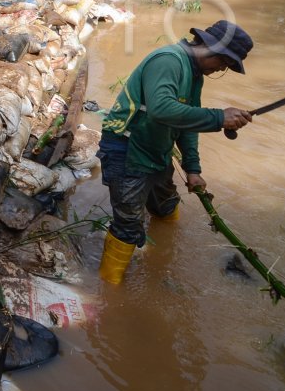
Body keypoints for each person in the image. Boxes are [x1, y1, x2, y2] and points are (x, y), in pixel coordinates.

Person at [96, 20, 255, 283]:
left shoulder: (194, 74)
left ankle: (167, 253)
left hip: (156, 147)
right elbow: (162, 109)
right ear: (208, 48)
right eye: (223, 63)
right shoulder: (169, 60)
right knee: (127, 224)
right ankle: (109, 290)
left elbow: (186, 124)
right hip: (127, 148)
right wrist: (219, 118)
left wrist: (193, 169)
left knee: (166, 205)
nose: (220, 69)